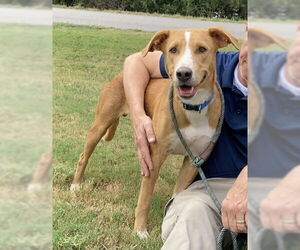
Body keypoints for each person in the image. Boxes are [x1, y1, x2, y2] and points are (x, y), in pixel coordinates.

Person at [123, 34, 248, 249]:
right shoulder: (209, 59)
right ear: (246, 32)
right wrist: (138, 114)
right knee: (191, 215)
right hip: (207, 190)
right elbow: (136, 61)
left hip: (272, 188)